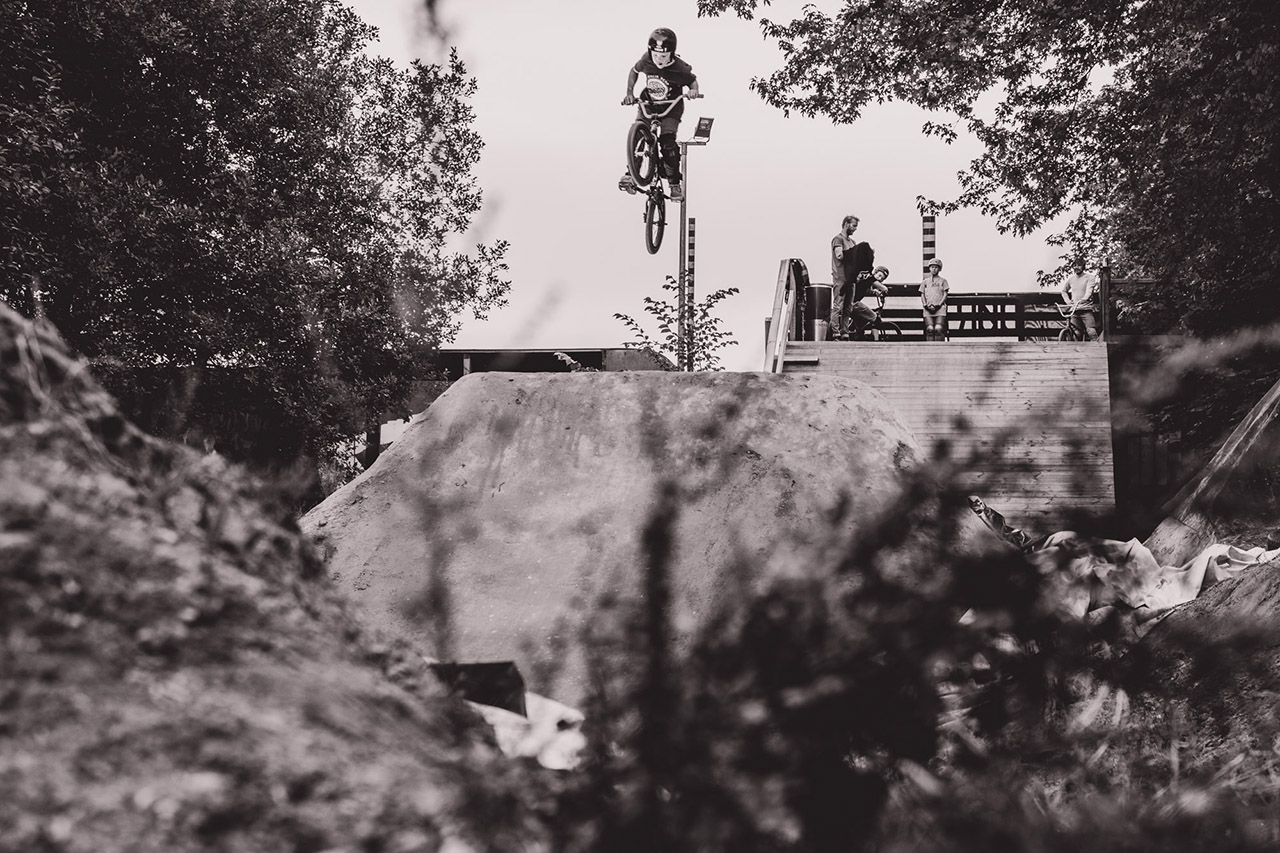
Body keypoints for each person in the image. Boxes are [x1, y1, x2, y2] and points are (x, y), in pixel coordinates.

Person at [618, 28, 700, 202]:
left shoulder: (680, 68)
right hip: (649, 104)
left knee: (667, 143)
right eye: (655, 55)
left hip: (671, 107)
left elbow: (692, 81)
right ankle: (632, 174)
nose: (659, 60)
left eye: (663, 56)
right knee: (638, 135)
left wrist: (693, 91)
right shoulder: (646, 60)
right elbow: (634, 71)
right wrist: (629, 92)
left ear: (672, 53)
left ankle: (674, 183)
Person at [841, 245, 888, 339]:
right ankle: (876, 340)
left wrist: (875, 292)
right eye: (879, 275)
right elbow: (873, 282)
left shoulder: (866, 278)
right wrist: (884, 288)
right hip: (854, 303)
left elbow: (865, 289)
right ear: (875, 272)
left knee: (862, 320)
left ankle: (859, 335)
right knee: (875, 318)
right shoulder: (869, 276)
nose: (879, 278)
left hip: (849, 303)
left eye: (882, 278)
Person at [828, 215, 860, 338]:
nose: (855, 229)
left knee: (848, 307)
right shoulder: (838, 239)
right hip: (840, 278)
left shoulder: (853, 242)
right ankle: (835, 332)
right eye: (854, 225)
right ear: (846, 224)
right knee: (838, 305)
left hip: (852, 279)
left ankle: (844, 332)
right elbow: (839, 255)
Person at [1060, 259, 1100, 341]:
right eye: (1074, 265)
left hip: (1086, 309)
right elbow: (1064, 291)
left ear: (1083, 266)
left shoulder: (1089, 278)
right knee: (1076, 333)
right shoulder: (1071, 279)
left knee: (1091, 331)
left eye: (1079, 265)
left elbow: (1089, 290)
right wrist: (1068, 301)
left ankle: (1095, 347)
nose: (1076, 267)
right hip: (1074, 310)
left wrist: (1085, 298)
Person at [919, 258, 950, 341]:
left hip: (940, 309)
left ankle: (940, 347)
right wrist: (925, 305)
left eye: (936, 267)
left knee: (938, 328)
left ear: (939, 269)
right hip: (928, 309)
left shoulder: (943, 281)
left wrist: (939, 305)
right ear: (929, 268)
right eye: (932, 267)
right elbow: (922, 294)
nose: (934, 269)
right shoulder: (925, 282)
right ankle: (930, 347)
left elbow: (945, 294)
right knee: (930, 329)